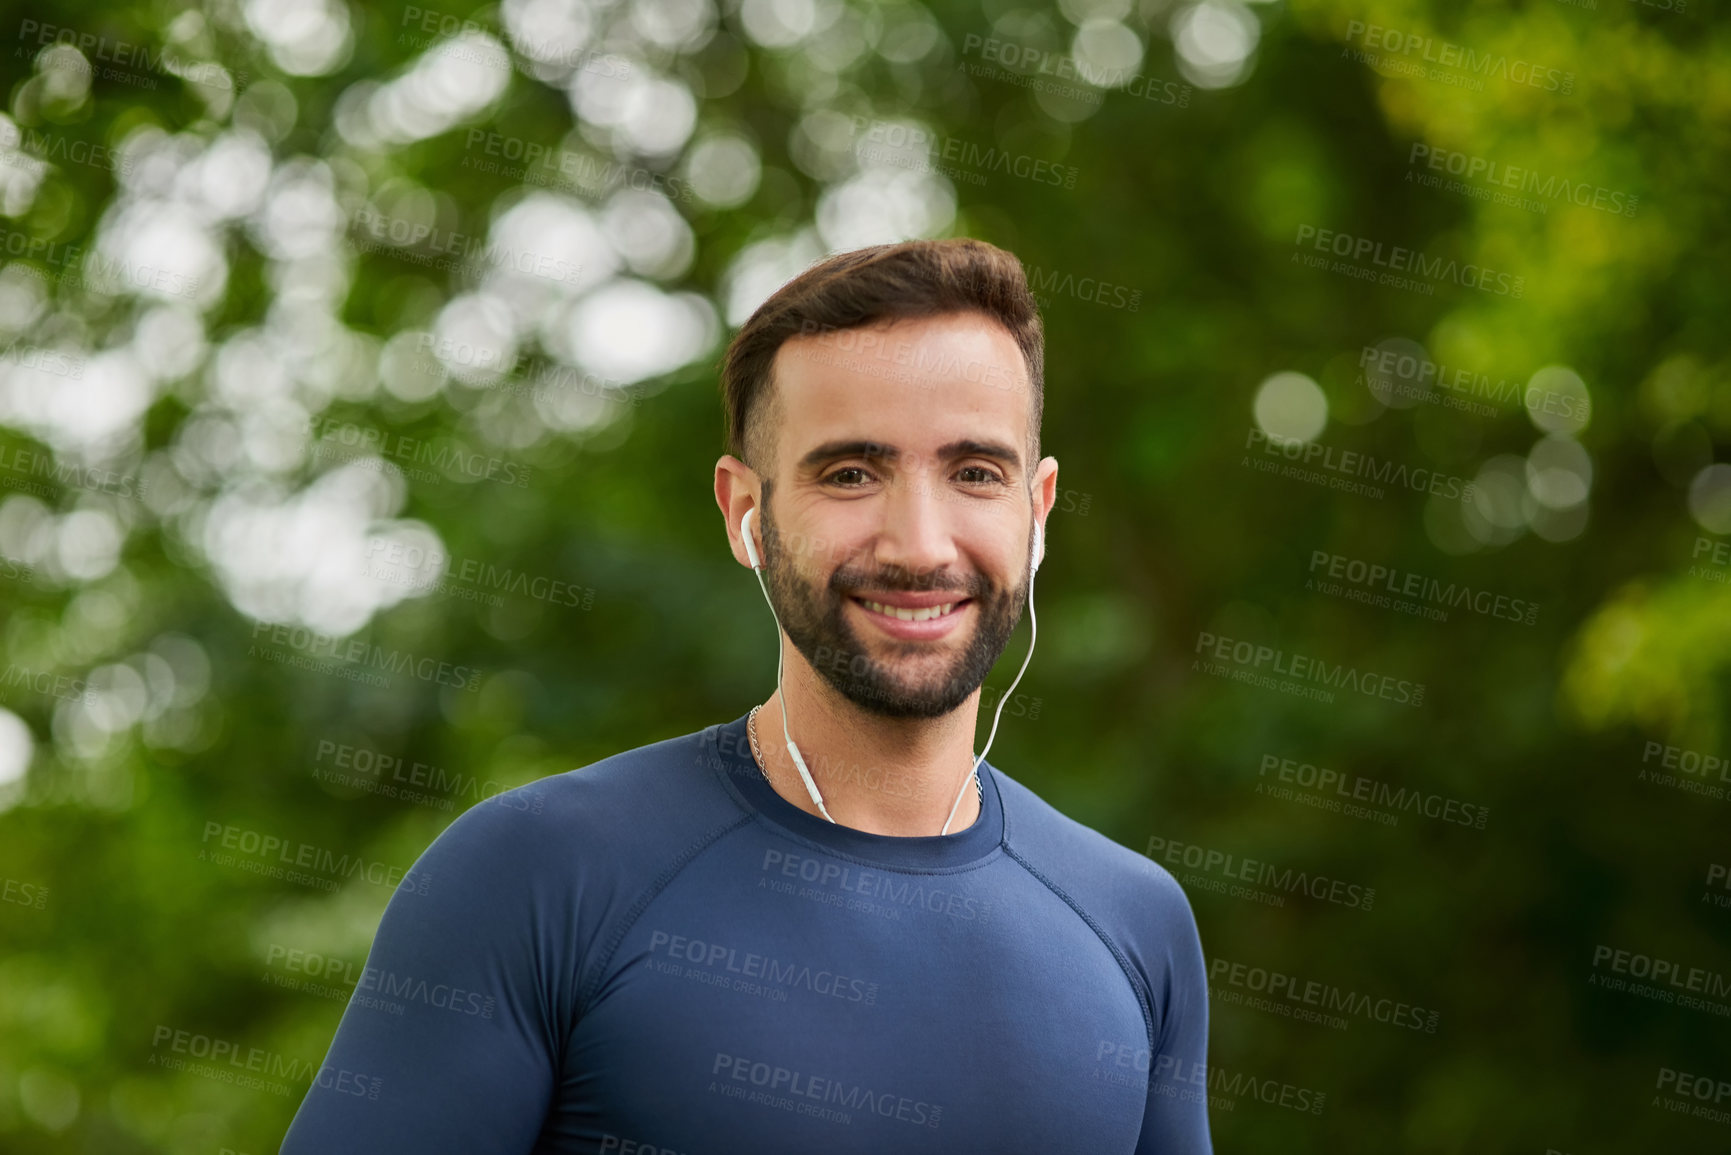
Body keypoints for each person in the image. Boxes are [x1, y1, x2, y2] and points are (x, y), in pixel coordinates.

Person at [280, 237, 1212, 1153]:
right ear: (744, 514)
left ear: (1036, 512)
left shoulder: (1135, 923)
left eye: (975, 473)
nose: (920, 544)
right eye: (851, 473)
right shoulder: (538, 876)